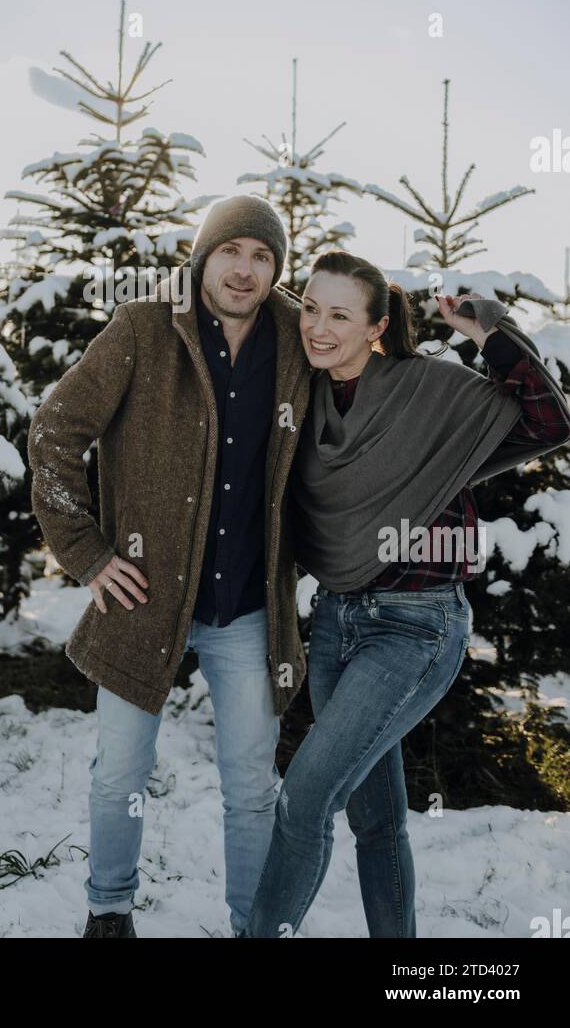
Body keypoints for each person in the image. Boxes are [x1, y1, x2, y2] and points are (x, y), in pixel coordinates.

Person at [239, 249, 570, 939]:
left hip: (416, 629)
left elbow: (549, 422)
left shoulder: (429, 390)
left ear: (376, 326)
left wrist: (490, 334)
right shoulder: (305, 402)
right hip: (335, 622)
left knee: (303, 799)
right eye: (310, 308)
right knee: (376, 820)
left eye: (340, 315)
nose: (318, 328)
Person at [27, 195, 312, 936]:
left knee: (251, 785)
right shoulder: (145, 329)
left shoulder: (297, 337)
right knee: (120, 773)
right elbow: (55, 431)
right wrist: (86, 553)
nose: (245, 271)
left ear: (277, 269)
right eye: (231, 252)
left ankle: (253, 925)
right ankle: (110, 912)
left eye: (262, 256)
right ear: (203, 256)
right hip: (144, 596)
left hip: (248, 604)